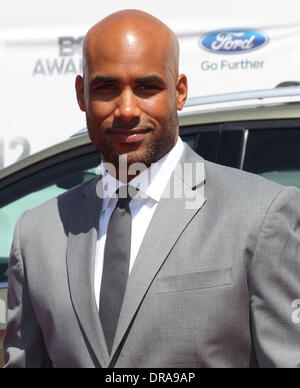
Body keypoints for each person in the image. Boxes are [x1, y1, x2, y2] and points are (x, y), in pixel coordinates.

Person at [3, 10, 300, 368]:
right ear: (82, 94)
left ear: (180, 92)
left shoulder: (261, 214)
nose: (126, 109)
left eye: (146, 87)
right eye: (106, 87)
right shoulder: (37, 233)